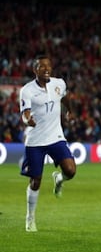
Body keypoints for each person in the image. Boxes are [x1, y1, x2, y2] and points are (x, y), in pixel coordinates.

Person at [19, 55, 76, 232]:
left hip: (55, 137)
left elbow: (65, 98)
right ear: (34, 69)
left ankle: (59, 179)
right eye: (41, 66)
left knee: (70, 170)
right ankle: (30, 218)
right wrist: (28, 120)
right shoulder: (27, 90)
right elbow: (25, 113)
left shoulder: (59, 83)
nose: (46, 69)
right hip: (35, 140)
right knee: (36, 181)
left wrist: (69, 111)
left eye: (48, 66)